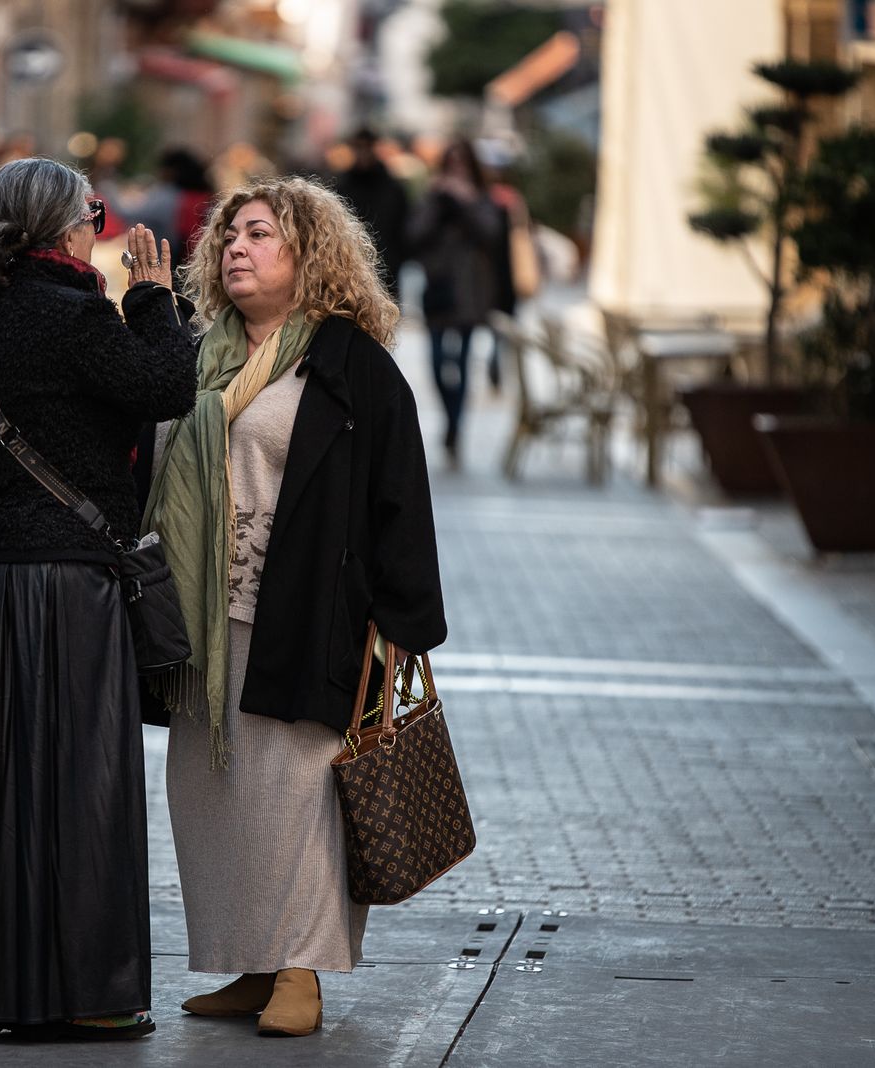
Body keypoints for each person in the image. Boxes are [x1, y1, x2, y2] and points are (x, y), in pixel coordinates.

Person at [143, 177, 447, 1037]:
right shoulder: (200, 356)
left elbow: (400, 495)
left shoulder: (352, 366)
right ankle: (251, 961)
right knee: (216, 794)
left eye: (260, 234)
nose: (235, 247)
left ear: (309, 255)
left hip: (307, 613)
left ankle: (302, 972)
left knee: (296, 796)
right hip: (203, 622)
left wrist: (403, 625)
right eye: (229, 236)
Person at [0, 157, 196, 1041]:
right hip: (72, 590)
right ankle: (94, 995)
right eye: (95, 213)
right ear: (67, 228)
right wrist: (154, 299)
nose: (102, 227)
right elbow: (169, 388)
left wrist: (7, 522)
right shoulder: (82, 319)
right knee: (88, 788)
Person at [408, 137, 507, 466]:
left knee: (462, 362)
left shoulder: (482, 199)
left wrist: (465, 203)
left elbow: (491, 234)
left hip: (470, 290)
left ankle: (455, 427)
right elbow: (415, 234)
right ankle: (450, 417)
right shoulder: (434, 195)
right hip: (438, 288)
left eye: (463, 163)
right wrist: (439, 202)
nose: (457, 170)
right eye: (452, 163)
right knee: (436, 360)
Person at [333, 127, 410, 299]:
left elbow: (403, 225)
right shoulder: (342, 185)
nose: (363, 153)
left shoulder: (392, 188)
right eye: (358, 147)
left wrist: (397, 257)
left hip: (387, 266)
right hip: (350, 265)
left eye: (366, 147)